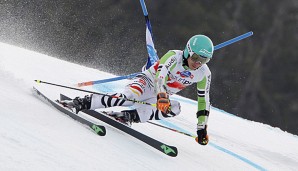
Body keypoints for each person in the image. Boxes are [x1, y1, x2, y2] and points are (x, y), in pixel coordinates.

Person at [63, 35, 213, 145]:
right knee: (127, 97)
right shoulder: (174, 56)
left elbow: (204, 101)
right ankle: (80, 103)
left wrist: (201, 128)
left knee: (175, 108)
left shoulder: (204, 74)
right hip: (147, 82)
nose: (198, 63)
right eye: (195, 57)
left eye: (204, 60)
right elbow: (160, 77)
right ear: (188, 51)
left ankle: (128, 116)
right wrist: (162, 96)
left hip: (160, 96)